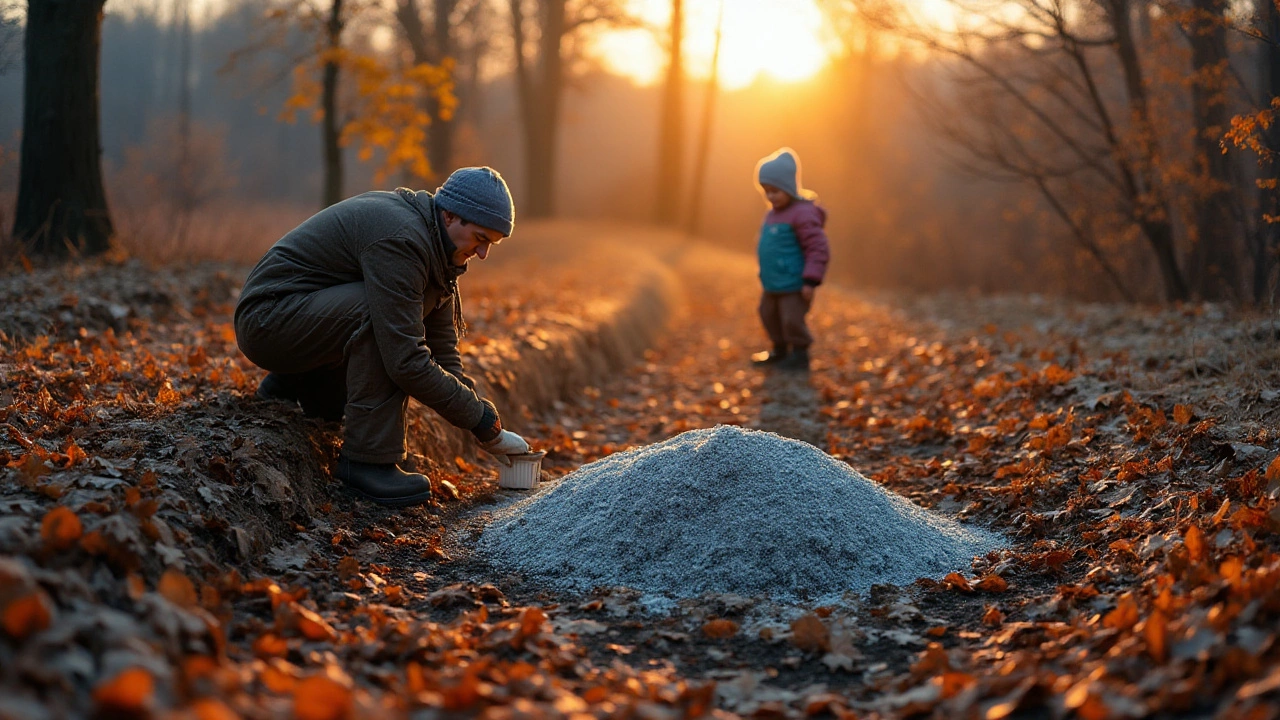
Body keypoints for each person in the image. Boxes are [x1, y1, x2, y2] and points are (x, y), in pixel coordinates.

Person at [234, 167, 531, 507]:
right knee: (383, 321)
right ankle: (366, 463)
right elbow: (405, 360)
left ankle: (293, 382)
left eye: (491, 244)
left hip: (297, 324)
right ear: (450, 215)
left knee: (331, 406)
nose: (483, 254)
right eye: (481, 239)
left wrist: (486, 420)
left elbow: (444, 354)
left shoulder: (438, 252)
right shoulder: (402, 240)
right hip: (267, 321)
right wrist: (478, 420)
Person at [750, 148, 830, 372]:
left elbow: (817, 247)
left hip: (795, 283)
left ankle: (800, 353)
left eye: (775, 191)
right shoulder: (772, 214)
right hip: (773, 282)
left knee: (791, 319)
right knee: (768, 314)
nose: (770, 196)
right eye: (766, 191)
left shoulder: (802, 213)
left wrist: (811, 280)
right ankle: (779, 349)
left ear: (788, 188)